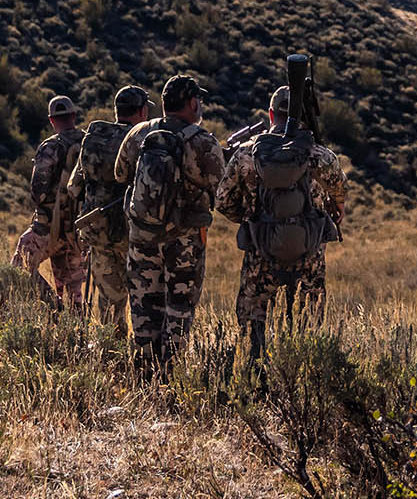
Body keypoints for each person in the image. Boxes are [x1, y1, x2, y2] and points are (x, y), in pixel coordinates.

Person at [215, 84, 347, 361]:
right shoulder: (322, 157)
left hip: (260, 259)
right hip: (309, 259)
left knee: (254, 331)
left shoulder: (246, 155)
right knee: (307, 332)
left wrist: (252, 219)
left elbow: (223, 201)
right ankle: (300, 390)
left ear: (272, 114)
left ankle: (255, 384)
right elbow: (339, 199)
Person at [116, 74, 225, 371]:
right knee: (179, 310)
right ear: (192, 103)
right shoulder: (202, 141)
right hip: (185, 240)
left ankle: (144, 376)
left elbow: (121, 173)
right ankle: (171, 378)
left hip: (142, 236)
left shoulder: (137, 134)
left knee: (143, 306)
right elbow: (222, 189)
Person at [66, 84, 151, 340]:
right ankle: (142, 358)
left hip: (98, 231)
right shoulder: (141, 139)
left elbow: (73, 187)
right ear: (142, 111)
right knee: (141, 296)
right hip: (131, 232)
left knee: (109, 300)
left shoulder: (94, 138)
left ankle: (109, 353)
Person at [11, 94, 88, 310]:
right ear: (73, 115)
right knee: (74, 291)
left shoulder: (50, 147)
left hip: (47, 229)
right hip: (77, 231)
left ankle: (53, 307)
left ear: (51, 120)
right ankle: (76, 334)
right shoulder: (88, 143)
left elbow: (38, 192)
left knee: (18, 268)